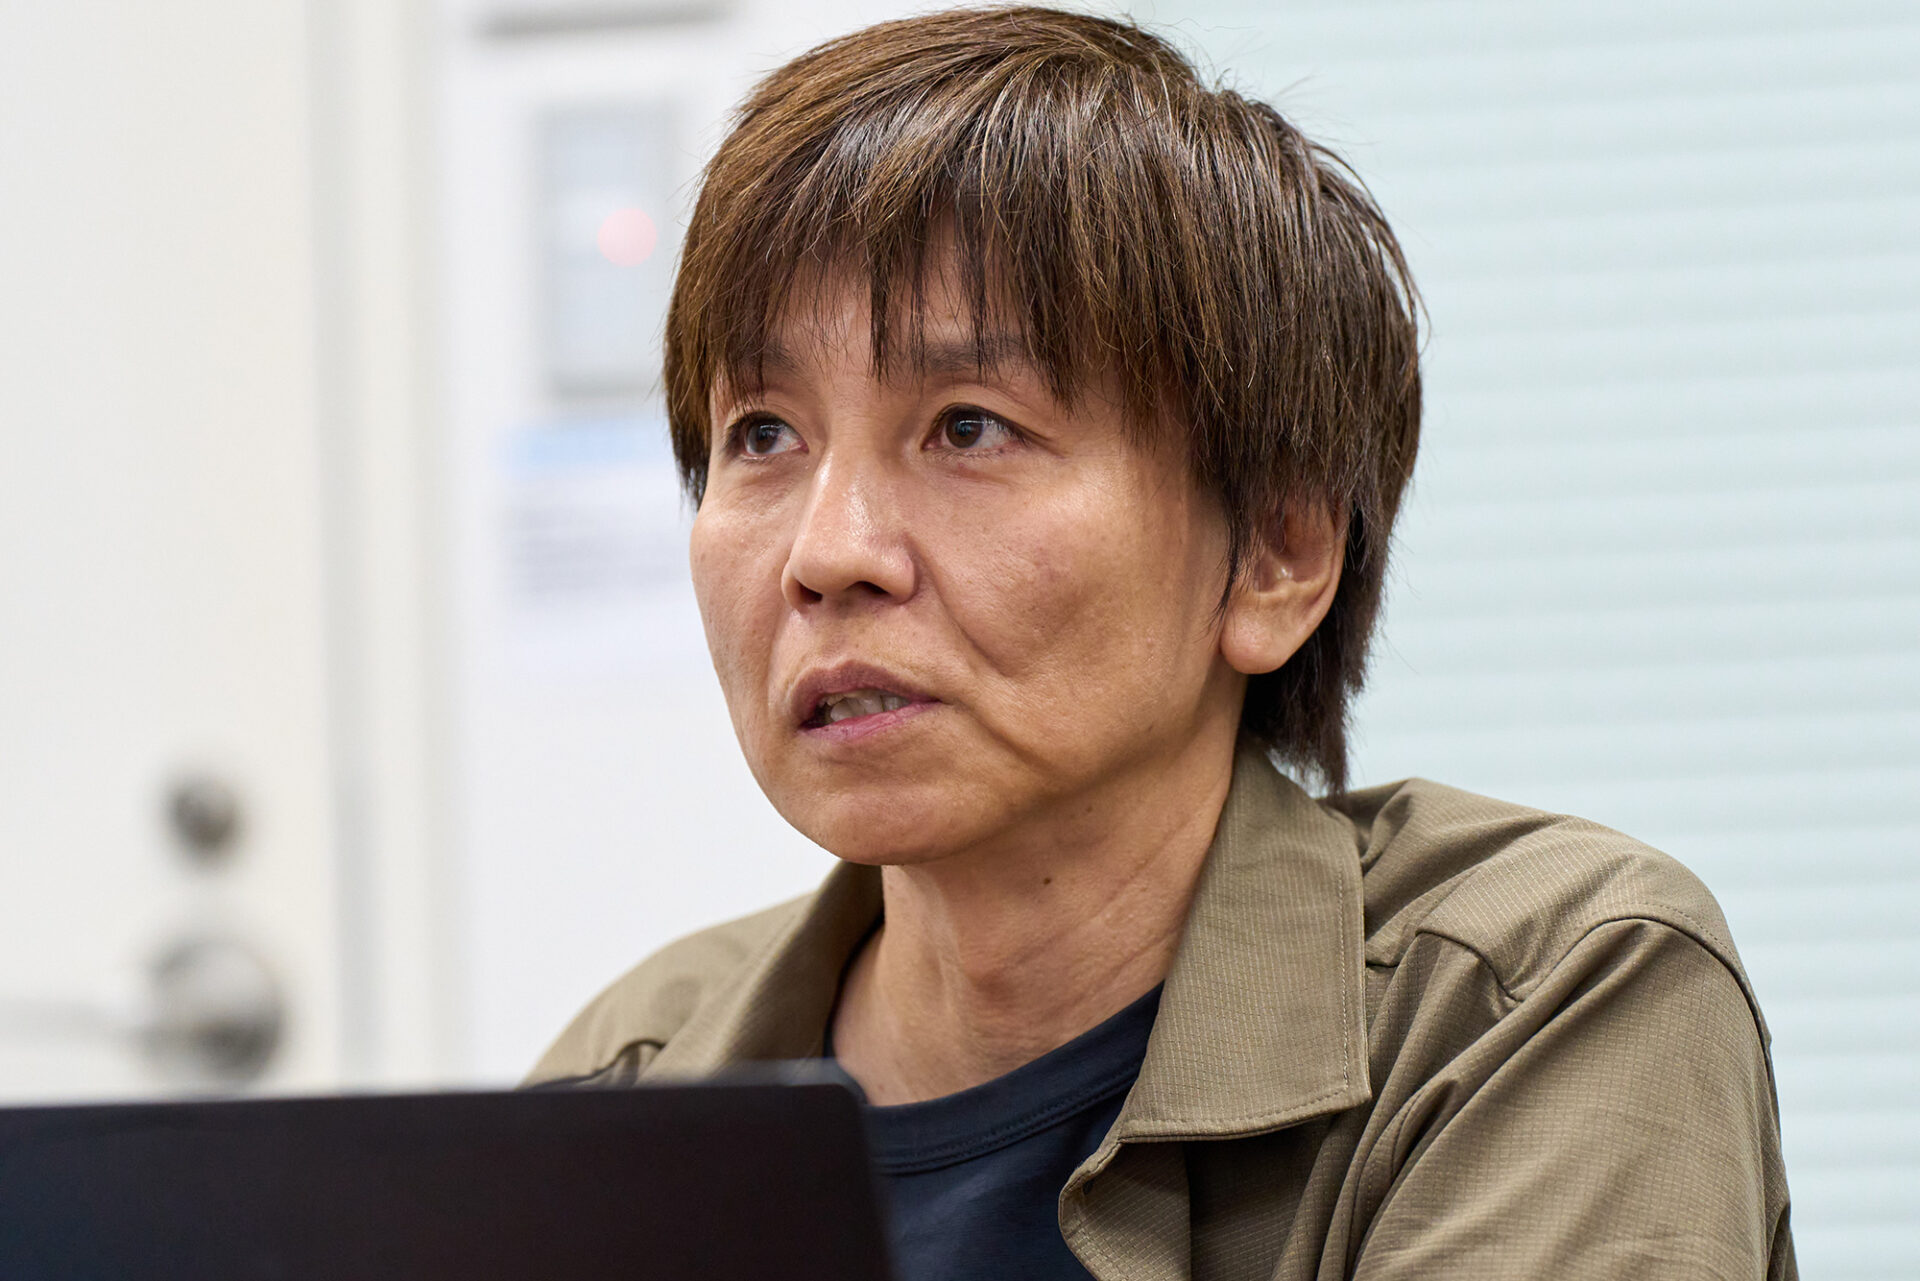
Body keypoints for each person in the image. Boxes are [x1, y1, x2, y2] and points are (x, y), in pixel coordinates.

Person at [528, 6, 1796, 1277]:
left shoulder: (1528, 999)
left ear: (1276, 555)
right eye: (762, 436)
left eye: (969, 426)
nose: (828, 551)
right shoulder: (626, 1084)